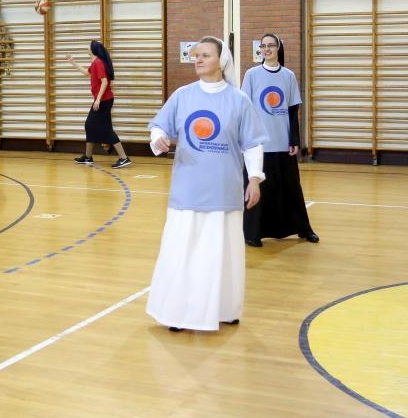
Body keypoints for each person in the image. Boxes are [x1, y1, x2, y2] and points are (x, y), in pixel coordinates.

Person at [146, 36, 268, 332]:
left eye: (205, 55)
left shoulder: (239, 100)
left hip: (223, 192)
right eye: (195, 55)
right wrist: (158, 140)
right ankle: (177, 313)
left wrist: (254, 179)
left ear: (221, 61)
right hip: (187, 191)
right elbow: (160, 126)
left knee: (222, 255)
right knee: (182, 253)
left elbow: (252, 145)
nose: (197, 59)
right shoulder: (182, 95)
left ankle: (224, 309)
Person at [241, 33, 319, 247]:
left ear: (278, 48)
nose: (266, 49)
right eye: (263, 46)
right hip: (258, 145)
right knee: (257, 189)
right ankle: (252, 233)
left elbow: (293, 111)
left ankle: (304, 229)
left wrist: (294, 139)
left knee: (291, 187)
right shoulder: (252, 74)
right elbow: (245, 109)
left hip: (283, 143)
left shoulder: (288, 76)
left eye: (270, 46)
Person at [65, 40, 132, 169]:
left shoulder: (99, 63)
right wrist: (72, 62)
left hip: (104, 100)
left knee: (104, 128)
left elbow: (104, 82)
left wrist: (98, 100)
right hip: (102, 100)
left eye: (88, 46)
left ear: (93, 49)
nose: (87, 48)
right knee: (90, 125)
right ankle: (87, 157)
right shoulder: (95, 63)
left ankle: (124, 158)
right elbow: (87, 73)